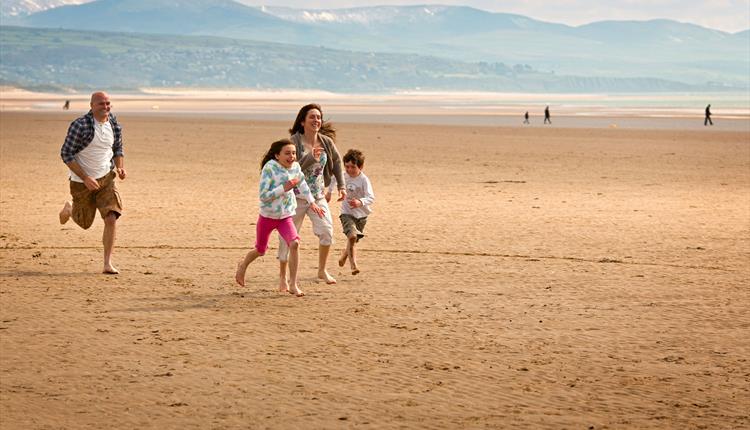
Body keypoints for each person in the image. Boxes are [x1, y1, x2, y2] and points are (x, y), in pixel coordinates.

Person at [235, 139, 325, 296]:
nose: (292, 156)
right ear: (277, 155)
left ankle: (293, 284)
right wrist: (285, 188)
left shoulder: (296, 167)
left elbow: (302, 184)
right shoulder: (269, 169)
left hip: (285, 216)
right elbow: (264, 196)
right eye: (287, 153)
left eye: (294, 153)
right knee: (260, 250)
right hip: (267, 216)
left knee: (295, 243)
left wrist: (312, 202)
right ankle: (243, 265)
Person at [277, 104, 346, 289]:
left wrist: (341, 186)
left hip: (317, 197)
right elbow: (291, 167)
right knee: (288, 239)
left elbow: (337, 162)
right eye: (312, 117)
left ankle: (321, 270)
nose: (316, 120)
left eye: (318, 117)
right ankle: (283, 277)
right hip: (295, 198)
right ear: (302, 121)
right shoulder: (294, 142)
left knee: (327, 232)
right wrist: (311, 158)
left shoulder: (326, 142)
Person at [58, 91, 126, 274]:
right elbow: (66, 154)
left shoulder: (113, 123)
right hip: (81, 183)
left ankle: (107, 263)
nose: (106, 107)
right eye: (101, 104)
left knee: (111, 217)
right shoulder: (80, 126)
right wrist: (86, 177)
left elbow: (118, 148)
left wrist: (119, 167)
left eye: (108, 103)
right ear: (92, 106)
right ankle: (70, 210)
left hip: (106, 180)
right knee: (85, 223)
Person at [337, 149, 375, 275]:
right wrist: (328, 193)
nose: (349, 169)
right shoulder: (343, 176)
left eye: (353, 167)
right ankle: (353, 265)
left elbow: (371, 197)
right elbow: (333, 182)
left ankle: (344, 255)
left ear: (361, 166)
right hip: (346, 213)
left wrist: (360, 202)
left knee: (353, 240)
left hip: (362, 216)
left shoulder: (364, 180)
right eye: (347, 166)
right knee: (352, 236)